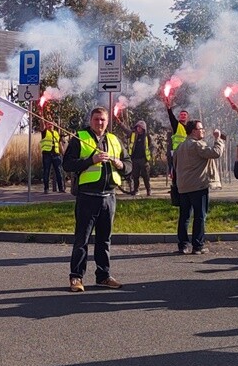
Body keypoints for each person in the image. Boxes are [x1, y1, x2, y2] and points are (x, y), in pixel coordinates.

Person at [65, 107, 131, 292]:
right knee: (82, 240)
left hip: (109, 197)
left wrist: (120, 164)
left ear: (107, 121)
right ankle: (76, 277)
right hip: (87, 198)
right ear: (91, 120)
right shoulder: (80, 138)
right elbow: (67, 164)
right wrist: (90, 160)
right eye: (96, 119)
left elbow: (129, 165)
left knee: (105, 240)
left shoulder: (114, 140)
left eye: (102, 120)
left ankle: (103, 276)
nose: (99, 123)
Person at [173, 120, 225, 254]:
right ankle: (198, 245)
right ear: (193, 131)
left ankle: (183, 245)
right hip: (198, 185)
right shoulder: (197, 145)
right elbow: (215, 153)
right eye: (200, 128)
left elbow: (175, 165)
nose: (203, 131)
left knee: (184, 216)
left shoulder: (180, 146)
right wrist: (218, 139)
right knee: (200, 216)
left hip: (183, 186)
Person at [128, 120, 154, 196]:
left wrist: (150, 155)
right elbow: (126, 130)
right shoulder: (133, 134)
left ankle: (148, 190)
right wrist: (120, 123)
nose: (138, 128)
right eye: (137, 127)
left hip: (144, 159)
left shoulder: (147, 136)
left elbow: (152, 146)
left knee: (146, 176)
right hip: (134, 159)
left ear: (143, 128)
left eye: (140, 127)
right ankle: (136, 190)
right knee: (135, 176)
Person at [40, 120, 65, 194]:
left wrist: (63, 152)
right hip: (47, 154)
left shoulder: (57, 133)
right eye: (48, 124)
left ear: (54, 125)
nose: (50, 126)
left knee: (59, 171)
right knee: (46, 172)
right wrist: (41, 116)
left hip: (56, 155)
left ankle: (61, 188)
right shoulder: (44, 132)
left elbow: (59, 143)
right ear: (46, 125)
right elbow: (42, 125)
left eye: (51, 124)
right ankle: (46, 189)